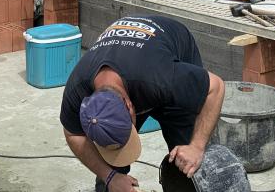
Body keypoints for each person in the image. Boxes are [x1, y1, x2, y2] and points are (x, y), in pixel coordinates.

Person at [60, 15, 225, 192]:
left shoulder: (163, 78)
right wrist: (109, 176)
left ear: (130, 106)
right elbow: (73, 134)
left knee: (188, 164)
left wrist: (196, 146)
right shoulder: (77, 90)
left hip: (169, 47)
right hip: (136, 71)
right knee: (109, 176)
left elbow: (216, 88)